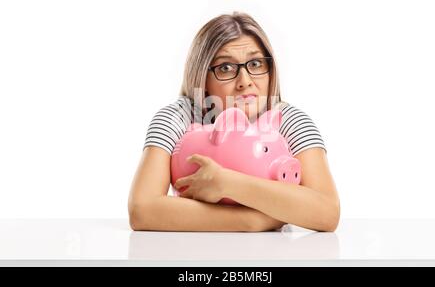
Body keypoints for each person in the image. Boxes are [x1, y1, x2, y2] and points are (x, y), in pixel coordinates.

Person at [128, 12, 340, 232]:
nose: (245, 81)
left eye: (256, 64)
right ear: (202, 77)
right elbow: (142, 210)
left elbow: (327, 212)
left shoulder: (289, 121)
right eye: (225, 68)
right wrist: (253, 221)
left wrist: (227, 183)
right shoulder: (177, 119)